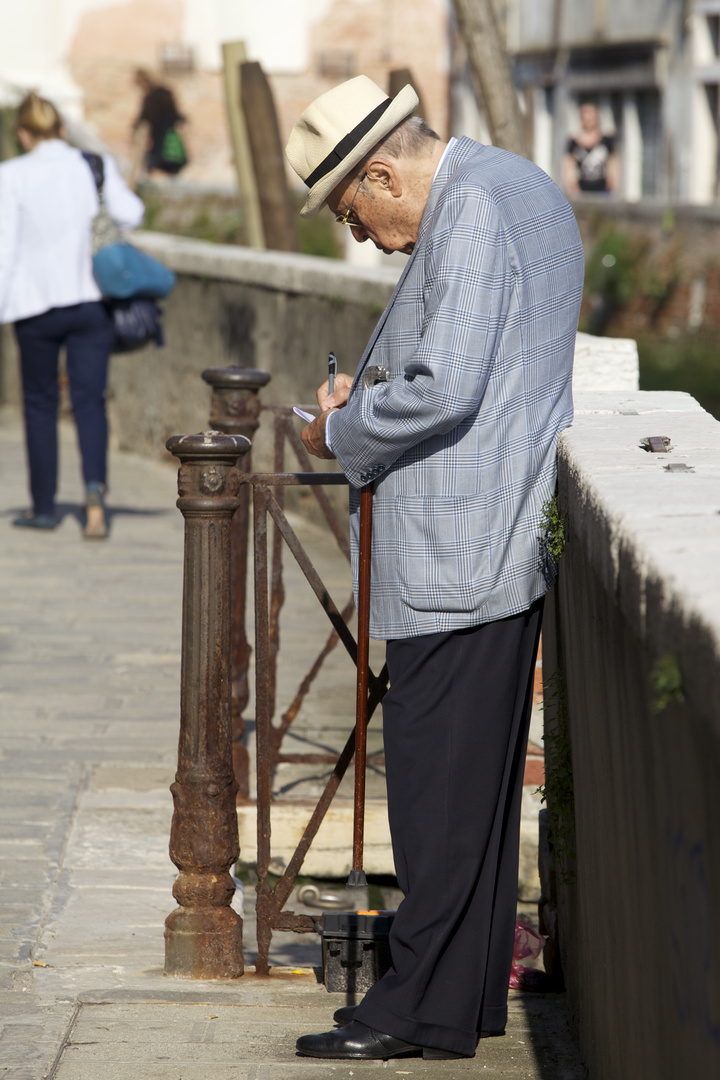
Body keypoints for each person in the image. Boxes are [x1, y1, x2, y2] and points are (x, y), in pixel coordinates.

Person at [284, 75, 584, 1061]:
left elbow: (447, 388)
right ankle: (456, 1007)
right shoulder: (504, 184)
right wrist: (368, 394)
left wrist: (340, 428)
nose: (358, 233)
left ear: (380, 171)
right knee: (470, 806)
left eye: (349, 210)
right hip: (493, 538)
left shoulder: (473, 210)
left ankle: (411, 1009)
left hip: (465, 550)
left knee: (434, 804)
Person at [0, 91, 144, 537]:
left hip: (35, 306)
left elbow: (4, 248)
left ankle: (44, 507)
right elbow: (132, 213)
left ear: (23, 133)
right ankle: (95, 498)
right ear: (61, 128)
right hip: (88, 301)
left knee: (41, 405)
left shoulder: (11, 174)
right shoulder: (90, 164)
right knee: (89, 402)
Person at [129, 69, 188, 189]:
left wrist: (135, 130)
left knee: (156, 163)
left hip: (160, 137)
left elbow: (145, 117)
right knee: (168, 164)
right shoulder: (163, 93)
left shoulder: (151, 97)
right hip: (166, 134)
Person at [562, 100, 619, 196]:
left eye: (591, 115)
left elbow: (613, 163)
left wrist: (612, 185)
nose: (588, 118)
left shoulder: (606, 140)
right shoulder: (574, 142)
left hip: (603, 191)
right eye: (585, 114)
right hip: (581, 191)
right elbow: (568, 165)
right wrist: (572, 187)